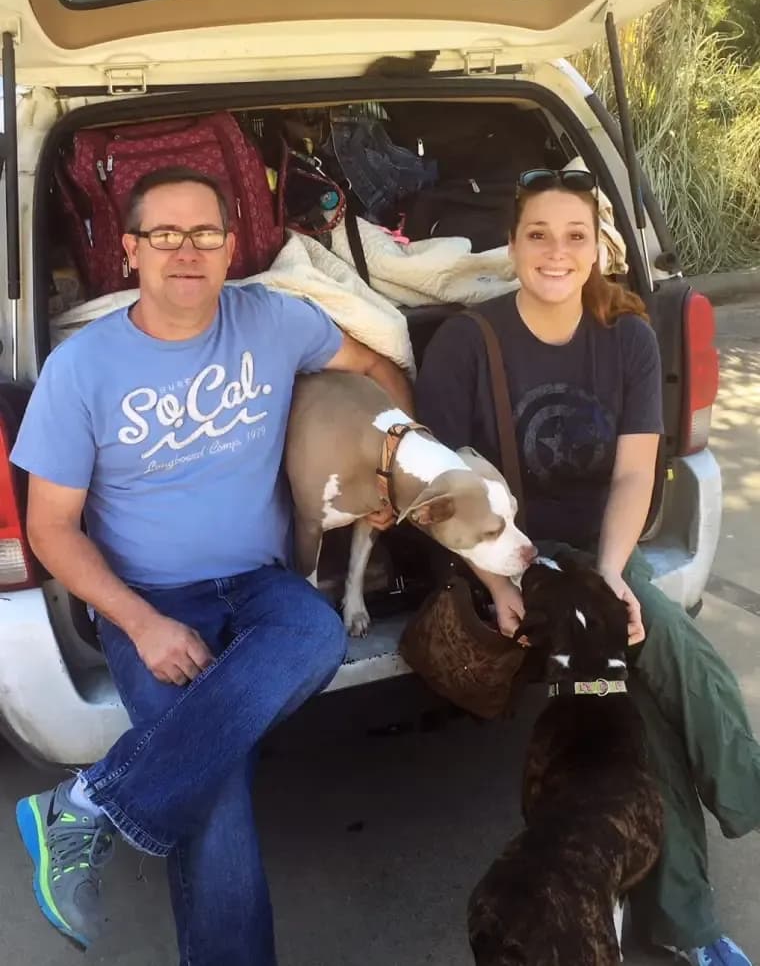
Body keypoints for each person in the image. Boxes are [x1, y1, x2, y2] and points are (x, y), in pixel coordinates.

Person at [12, 166, 413, 965]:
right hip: (146, 596)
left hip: (263, 583)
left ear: (233, 248)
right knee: (216, 792)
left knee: (314, 635)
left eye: (206, 234)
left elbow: (375, 371)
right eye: (165, 234)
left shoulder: (273, 320)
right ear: (129, 250)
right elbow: (50, 529)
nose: (186, 251)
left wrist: (398, 466)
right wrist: (141, 623)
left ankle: (91, 800)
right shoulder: (81, 369)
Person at [414, 167, 760, 966]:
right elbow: (437, 494)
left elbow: (638, 474)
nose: (557, 252)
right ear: (512, 244)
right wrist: (499, 586)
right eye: (539, 234)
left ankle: (691, 928)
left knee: (639, 705)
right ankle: (738, 803)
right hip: (513, 552)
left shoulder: (628, 338)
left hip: (597, 546)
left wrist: (610, 577)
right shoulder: (472, 342)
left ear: (600, 247)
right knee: (667, 641)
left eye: (576, 236)